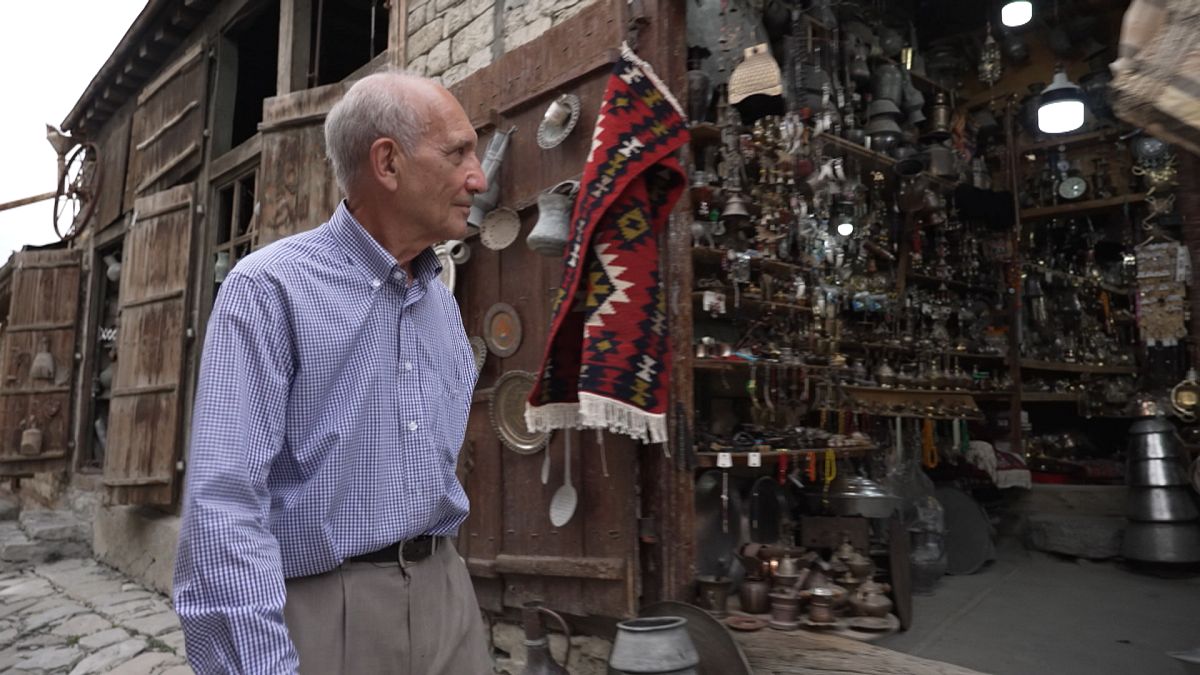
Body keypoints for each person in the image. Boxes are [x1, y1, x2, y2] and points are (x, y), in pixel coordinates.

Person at [172, 71, 492, 674]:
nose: (479, 177)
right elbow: (224, 511)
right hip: (327, 615)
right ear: (388, 163)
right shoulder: (268, 290)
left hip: (448, 598)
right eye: (458, 154)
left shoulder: (438, 300)